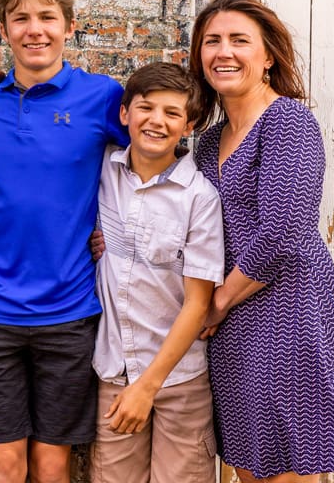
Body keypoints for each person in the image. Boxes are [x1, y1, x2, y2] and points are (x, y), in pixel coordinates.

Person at [0, 0, 129, 483]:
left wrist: (114, 237)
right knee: (3, 463)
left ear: (70, 27)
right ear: (3, 30)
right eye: (20, 18)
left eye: (48, 17)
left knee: (51, 465)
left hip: (70, 312)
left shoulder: (103, 98)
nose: (35, 29)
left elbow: (152, 172)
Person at [190, 0, 334, 483]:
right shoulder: (206, 142)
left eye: (239, 40)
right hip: (234, 332)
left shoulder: (288, 123)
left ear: (267, 58)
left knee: (294, 470)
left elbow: (283, 231)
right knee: (248, 468)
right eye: (212, 41)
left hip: (292, 316)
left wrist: (217, 302)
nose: (224, 52)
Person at [90, 62, 224, 483]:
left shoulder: (199, 197)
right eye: (147, 108)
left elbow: (198, 303)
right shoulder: (104, 172)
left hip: (179, 379)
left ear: (189, 126)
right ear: (125, 113)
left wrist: (148, 387)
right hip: (116, 371)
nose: (157, 121)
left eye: (172, 113)